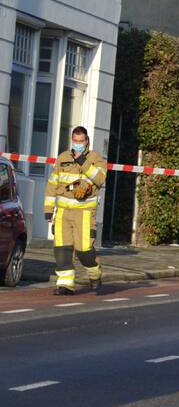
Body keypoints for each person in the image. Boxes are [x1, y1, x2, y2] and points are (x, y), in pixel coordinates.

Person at [44, 126, 106, 295]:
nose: (78, 144)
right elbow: (52, 184)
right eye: (75, 141)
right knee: (62, 249)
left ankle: (95, 274)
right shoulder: (63, 158)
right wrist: (49, 209)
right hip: (63, 212)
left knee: (84, 249)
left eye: (81, 141)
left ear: (87, 141)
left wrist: (82, 162)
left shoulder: (96, 159)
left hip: (84, 213)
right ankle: (65, 285)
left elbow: (100, 179)